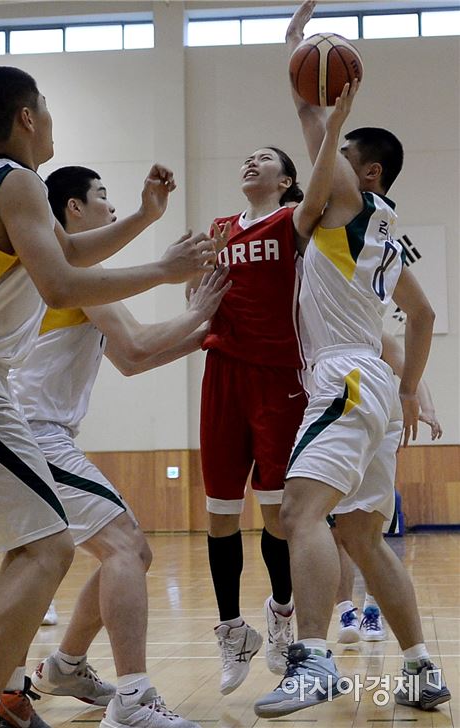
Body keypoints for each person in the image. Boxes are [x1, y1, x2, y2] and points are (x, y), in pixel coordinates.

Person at [0, 65, 216, 728]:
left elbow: (70, 253)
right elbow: (60, 285)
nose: (49, 120)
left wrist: (142, 218)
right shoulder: (18, 182)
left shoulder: (0, 184)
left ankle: (10, 694)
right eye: (44, 109)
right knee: (60, 548)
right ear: (27, 116)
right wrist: (165, 270)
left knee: (37, 549)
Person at [254, 1, 451, 718]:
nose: (321, 159)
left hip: (341, 376)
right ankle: (423, 669)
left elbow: (312, 118)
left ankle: (311, 663)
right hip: (372, 382)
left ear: (362, 168)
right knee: (363, 537)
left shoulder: (344, 196)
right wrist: (410, 389)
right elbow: (424, 316)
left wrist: (297, 54)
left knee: (299, 514)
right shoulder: (387, 228)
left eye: (337, 155)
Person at [6, 164, 230, 728]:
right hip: (31, 433)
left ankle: (64, 666)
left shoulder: (74, 274)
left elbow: (130, 360)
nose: (112, 206)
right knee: (126, 547)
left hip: (34, 435)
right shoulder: (77, 272)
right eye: (102, 196)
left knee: (129, 551)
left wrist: (206, 338)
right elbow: (137, 339)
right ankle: (132, 700)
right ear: (73, 210)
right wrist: (198, 314)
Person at [187, 82, 364, 696]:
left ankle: (283, 613)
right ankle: (232, 628)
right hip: (223, 375)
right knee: (217, 514)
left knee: (279, 519)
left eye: (265, 158)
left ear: (286, 181)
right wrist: (193, 286)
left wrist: (327, 121)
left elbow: (324, 186)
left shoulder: (295, 219)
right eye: (248, 158)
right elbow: (201, 294)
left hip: (282, 377)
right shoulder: (218, 227)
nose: (250, 162)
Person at [334, 333, 443, 646]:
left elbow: (412, 372)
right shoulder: (320, 328)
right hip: (334, 434)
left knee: (369, 534)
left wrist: (428, 409)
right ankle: (345, 611)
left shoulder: (376, 335)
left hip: (374, 434)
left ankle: (371, 609)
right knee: (334, 534)